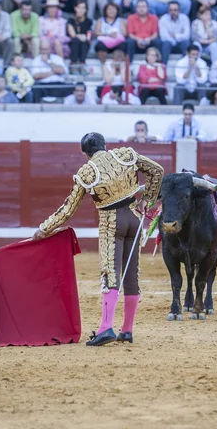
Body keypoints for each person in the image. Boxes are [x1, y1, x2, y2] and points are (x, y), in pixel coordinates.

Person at [33, 132, 164, 345]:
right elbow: (157, 171)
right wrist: (146, 201)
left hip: (112, 222)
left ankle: (106, 328)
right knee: (131, 275)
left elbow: (68, 208)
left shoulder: (87, 172)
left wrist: (44, 229)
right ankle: (127, 330)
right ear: (105, 145)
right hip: (134, 218)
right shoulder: (125, 154)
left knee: (110, 274)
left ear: (85, 154)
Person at [31, 37, 71, 102]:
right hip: (43, 86)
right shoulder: (36, 60)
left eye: (46, 49)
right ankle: (36, 110)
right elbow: (36, 76)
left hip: (57, 85)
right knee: (35, 88)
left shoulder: (57, 58)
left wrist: (48, 61)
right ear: (40, 49)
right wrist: (53, 72)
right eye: (43, 49)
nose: (44, 51)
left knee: (71, 87)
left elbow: (62, 71)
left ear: (50, 49)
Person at [66, 0, 92, 74]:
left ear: (86, 10)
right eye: (79, 7)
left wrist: (85, 37)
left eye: (83, 8)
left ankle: (82, 64)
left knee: (85, 41)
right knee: (76, 40)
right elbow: (72, 34)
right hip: (73, 40)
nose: (81, 10)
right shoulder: (71, 20)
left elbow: (89, 34)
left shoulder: (88, 21)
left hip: (84, 41)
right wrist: (80, 36)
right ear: (75, 8)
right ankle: (73, 64)